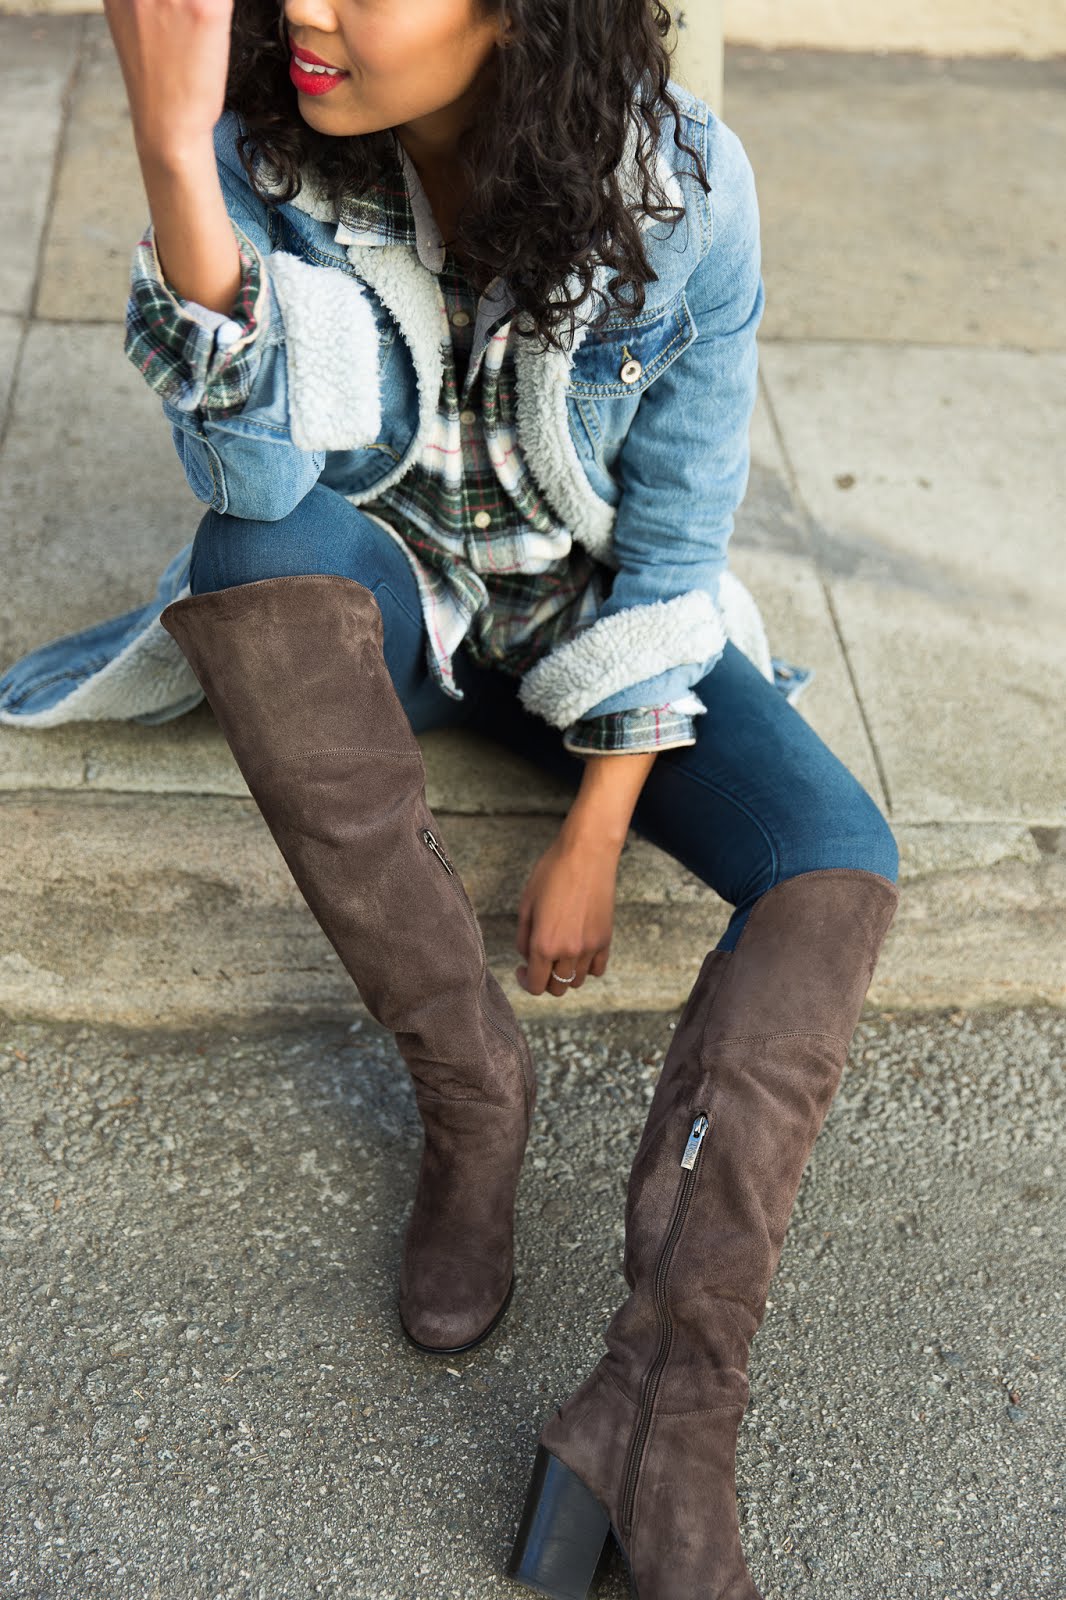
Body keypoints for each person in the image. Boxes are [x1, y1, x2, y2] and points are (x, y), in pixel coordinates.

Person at [6, 0, 901, 1593]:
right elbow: (259, 482)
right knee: (253, 563)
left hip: (586, 624)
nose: (306, 9)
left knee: (833, 864)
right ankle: (471, 1091)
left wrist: (599, 817)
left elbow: (678, 544)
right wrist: (167, 153)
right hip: (388, 606)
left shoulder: (681, 188)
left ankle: (664, 1410)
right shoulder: (267, 148)